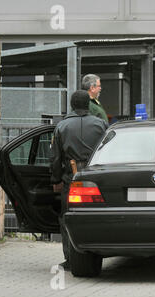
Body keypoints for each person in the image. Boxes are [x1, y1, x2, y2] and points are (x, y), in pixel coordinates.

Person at [50, 90, 108, 269]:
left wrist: (56, 179)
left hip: (71, 177)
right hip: (97, 177)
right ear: (88, 105)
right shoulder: (102, 124)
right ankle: (102, 250)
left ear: (72, 106)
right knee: (99, 216)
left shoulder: (61, 127)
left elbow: (55, 158)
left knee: (68, 217)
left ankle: (70, 258)